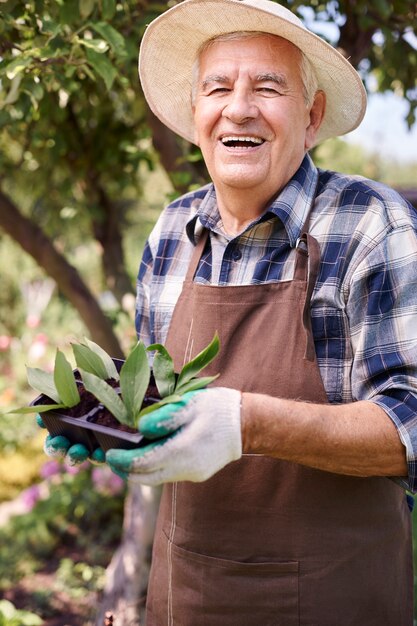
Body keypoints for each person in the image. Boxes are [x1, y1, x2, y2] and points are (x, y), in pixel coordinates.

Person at [45, 0, 417, 623]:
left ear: (312, 115)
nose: (238, 108)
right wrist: (112, 420)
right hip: (182, 600)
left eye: (268, 87)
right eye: (218, 88)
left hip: (336, 603)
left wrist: (249, 425)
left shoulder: (370, 225)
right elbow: (159, 399)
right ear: (196, 115)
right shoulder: (172, 230)